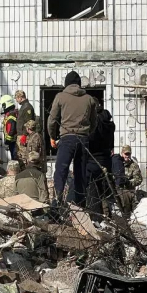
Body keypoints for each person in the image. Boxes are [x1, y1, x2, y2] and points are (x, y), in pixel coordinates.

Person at [48, 71, 98, 206]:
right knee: (80, 174)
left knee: (61, 172)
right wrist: (87, 133)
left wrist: (52, 136)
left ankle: (56, 204)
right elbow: (94, 122)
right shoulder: (89, 99)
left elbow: (52, 120)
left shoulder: (60, 97)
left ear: (66, 84)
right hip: (83, 140)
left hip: (66, 138)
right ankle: (80, 206)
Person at [0, 95, 18, 159]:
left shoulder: (10, 116)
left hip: (13, 142)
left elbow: (11, 130)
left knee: (14, 159)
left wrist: (7, 141)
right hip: (14, 141)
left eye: (3, 105)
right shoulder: (13, 113)